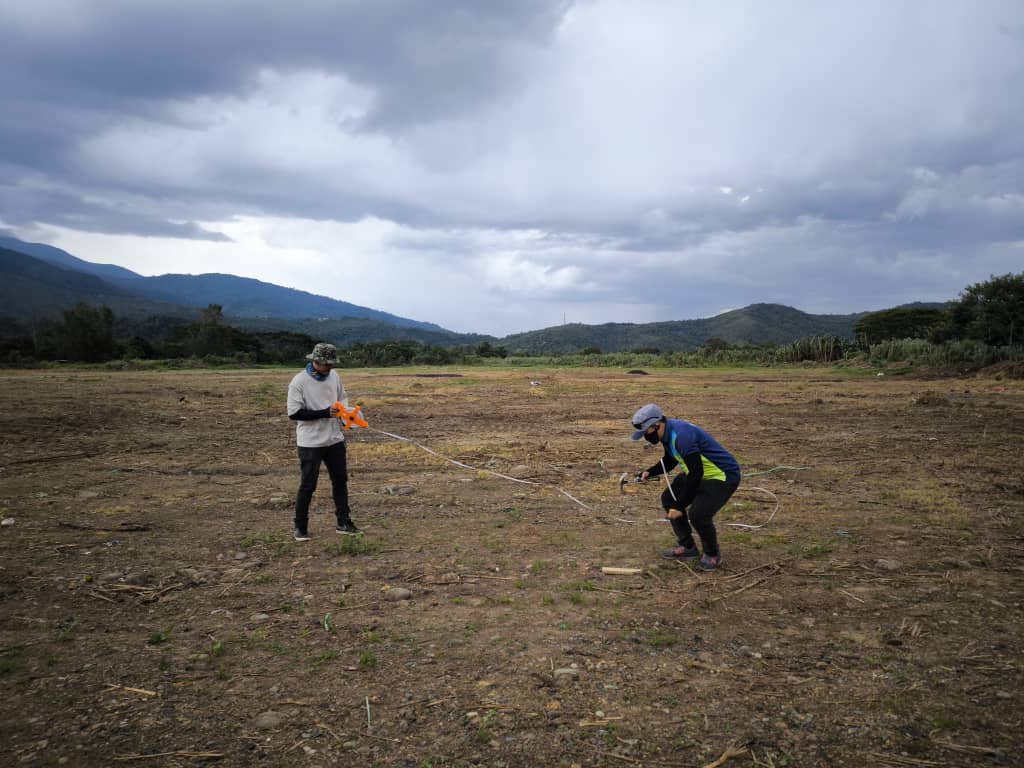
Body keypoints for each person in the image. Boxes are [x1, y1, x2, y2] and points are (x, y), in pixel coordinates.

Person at [630, 403, 740, 570]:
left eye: (646, 432)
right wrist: (650, 472)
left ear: (657, 424)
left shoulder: (681, 435)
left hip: (722, 475)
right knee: (668, 498)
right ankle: (688, 547)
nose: (646, 436)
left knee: (698, 514)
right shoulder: (667, 433)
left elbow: (696, 473)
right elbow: (671, 459)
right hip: (698, 472)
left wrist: (679, 505)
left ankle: (712, 554)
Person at [286, 342, 361, 541]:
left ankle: (344, 522)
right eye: (326, 364)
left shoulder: (334, 376)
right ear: (315, 361)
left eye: (332, 364)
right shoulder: (299, 382)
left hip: (334, 438)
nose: (330, 368)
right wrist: (324, 413)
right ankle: (300, 527)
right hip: (310, 442)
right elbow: (294, 413)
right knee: (308, 485)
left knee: (340, 480)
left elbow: (342, 399)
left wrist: (348, 417)